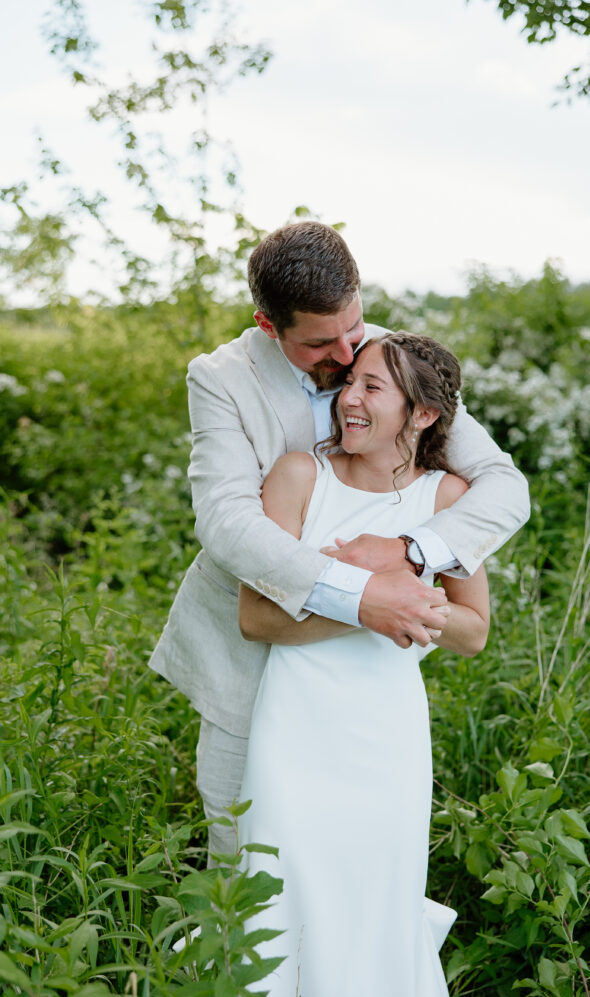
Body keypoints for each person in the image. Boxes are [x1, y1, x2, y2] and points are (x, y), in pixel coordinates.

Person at [149, 221, 529, 860]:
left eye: (355, 328)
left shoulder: (389, 360)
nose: (350, 355)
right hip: (252, 648)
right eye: (322, 343)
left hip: (361, 683)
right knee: (242, 849)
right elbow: (226, 523)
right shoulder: (221, 379)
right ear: (270, 327)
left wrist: (411, 552)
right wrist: (358, 596)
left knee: (354, 851)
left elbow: (503, 485)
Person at [237, 332, 489, 997]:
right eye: (348, 382)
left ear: (424, 415)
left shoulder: (448, 497)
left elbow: (471, 631)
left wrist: (406, 593)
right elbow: (257, 617)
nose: (346, 398)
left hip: (386, 734)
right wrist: (372, 603)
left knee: (376, 892)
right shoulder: (297, 477)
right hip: (293, 725)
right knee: (281, 888)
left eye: (371, 388)